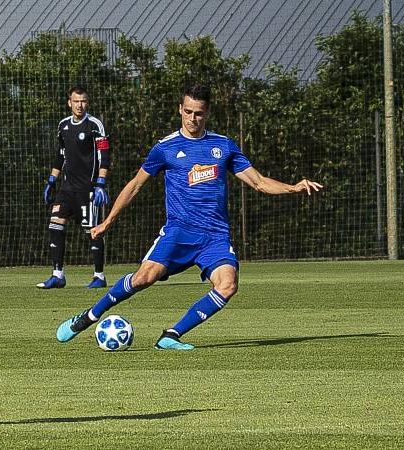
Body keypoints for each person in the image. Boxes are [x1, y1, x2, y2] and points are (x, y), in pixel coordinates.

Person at [56, 85, 322, 349]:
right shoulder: (165, 148)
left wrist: (293, 187)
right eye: (188, 112)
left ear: (207, 114)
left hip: (214, 237)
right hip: (179, 233)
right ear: (180, 110)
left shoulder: (223, 146)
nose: (193, 118)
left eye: (199, 113)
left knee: (228, 285)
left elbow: (259, 182)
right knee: (142, 279)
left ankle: (171, 335)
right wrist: (108, 221)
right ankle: (88, 317)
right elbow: (136, 185)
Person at [38, 86, 111, 289]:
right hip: (67, 189)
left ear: (87, 103)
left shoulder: (95, 125)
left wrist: (100, 184)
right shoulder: (63, 126)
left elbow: (104, 157)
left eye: (83, 101)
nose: (80, 105)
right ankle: (57, 275)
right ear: (69, 102)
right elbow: (60, 155)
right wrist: (52, 180)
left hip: (88, 189)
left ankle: (99, 276)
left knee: (93, 232)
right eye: (76, 101)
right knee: (55, 226)